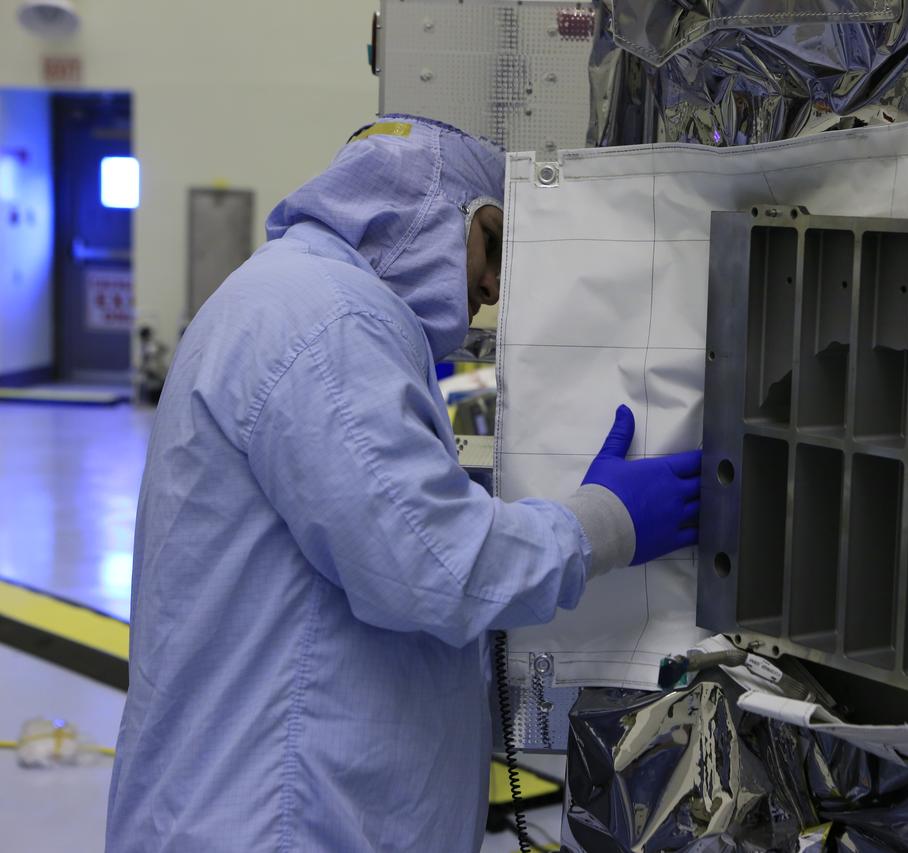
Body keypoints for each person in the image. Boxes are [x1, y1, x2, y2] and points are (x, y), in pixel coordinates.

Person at [105, 115, 702, 852]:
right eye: (491, 243)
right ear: (426, 211)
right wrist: (605, 521)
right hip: (280, 822)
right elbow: (438, 565)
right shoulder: (326, 321)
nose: (492, 282)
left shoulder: (291, 302)